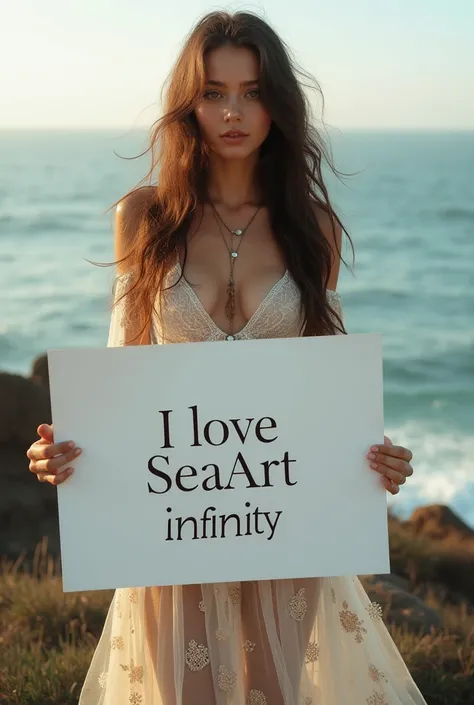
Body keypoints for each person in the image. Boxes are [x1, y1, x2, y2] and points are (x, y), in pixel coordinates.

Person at [25, 11, 425, 705]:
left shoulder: (313, 230)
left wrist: (374, 456)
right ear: (190, 103)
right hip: (171, 517)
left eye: (253, 91)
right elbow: (125, 379)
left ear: (278, 103)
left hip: (283, 516)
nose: (234, 112)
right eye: (213, 92)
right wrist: (65, 454)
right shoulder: (144, 218)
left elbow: (322, 390)